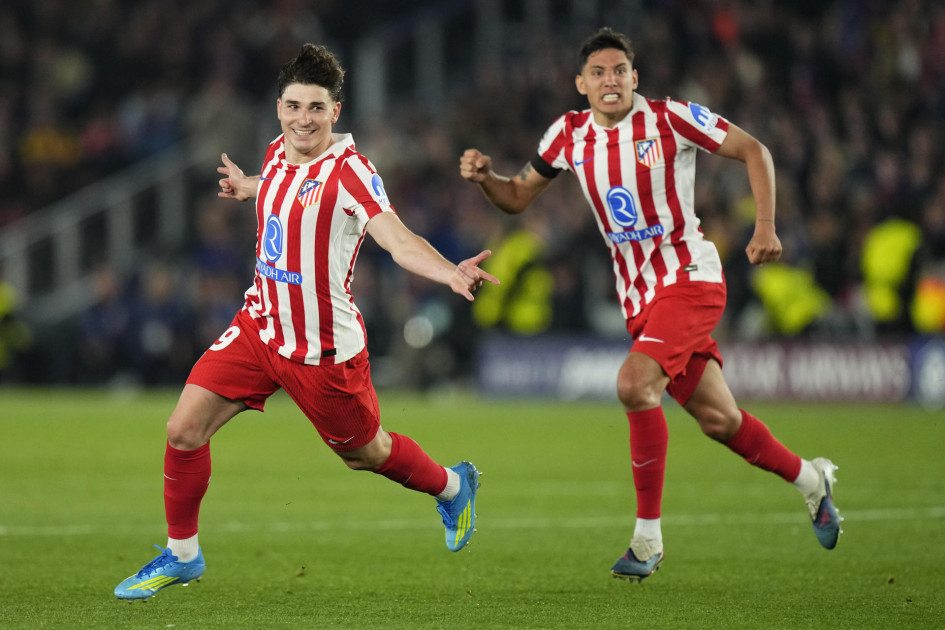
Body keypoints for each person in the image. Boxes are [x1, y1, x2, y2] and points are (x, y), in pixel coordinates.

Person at [115, 43, 498, 601]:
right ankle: (183, 555)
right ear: (278, 108)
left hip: (322, 350)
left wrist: (448, 272)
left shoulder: (352, 172)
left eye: (316, 108)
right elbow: (282, 187)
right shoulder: (277, 152)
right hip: (260, 325)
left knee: (365, 453)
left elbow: (396, 239)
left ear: (335, 111)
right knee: (182, 430)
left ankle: (452, 485)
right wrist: (248, 186)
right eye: (293, 106)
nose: (303, 119)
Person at [459, 27, 841, 582]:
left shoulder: (670, 119)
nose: (610, 80)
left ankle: (646, 541)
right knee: (720, 420)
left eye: (620, 71)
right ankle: (813, 480)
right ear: (581, 84)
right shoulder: (567, 135)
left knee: (633, 384)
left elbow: (753, 150)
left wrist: (765, 225)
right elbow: (517, 196)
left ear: (635, 77)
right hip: (639, 299)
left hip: (689, 278)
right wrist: (486, 179)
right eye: (598, 73)